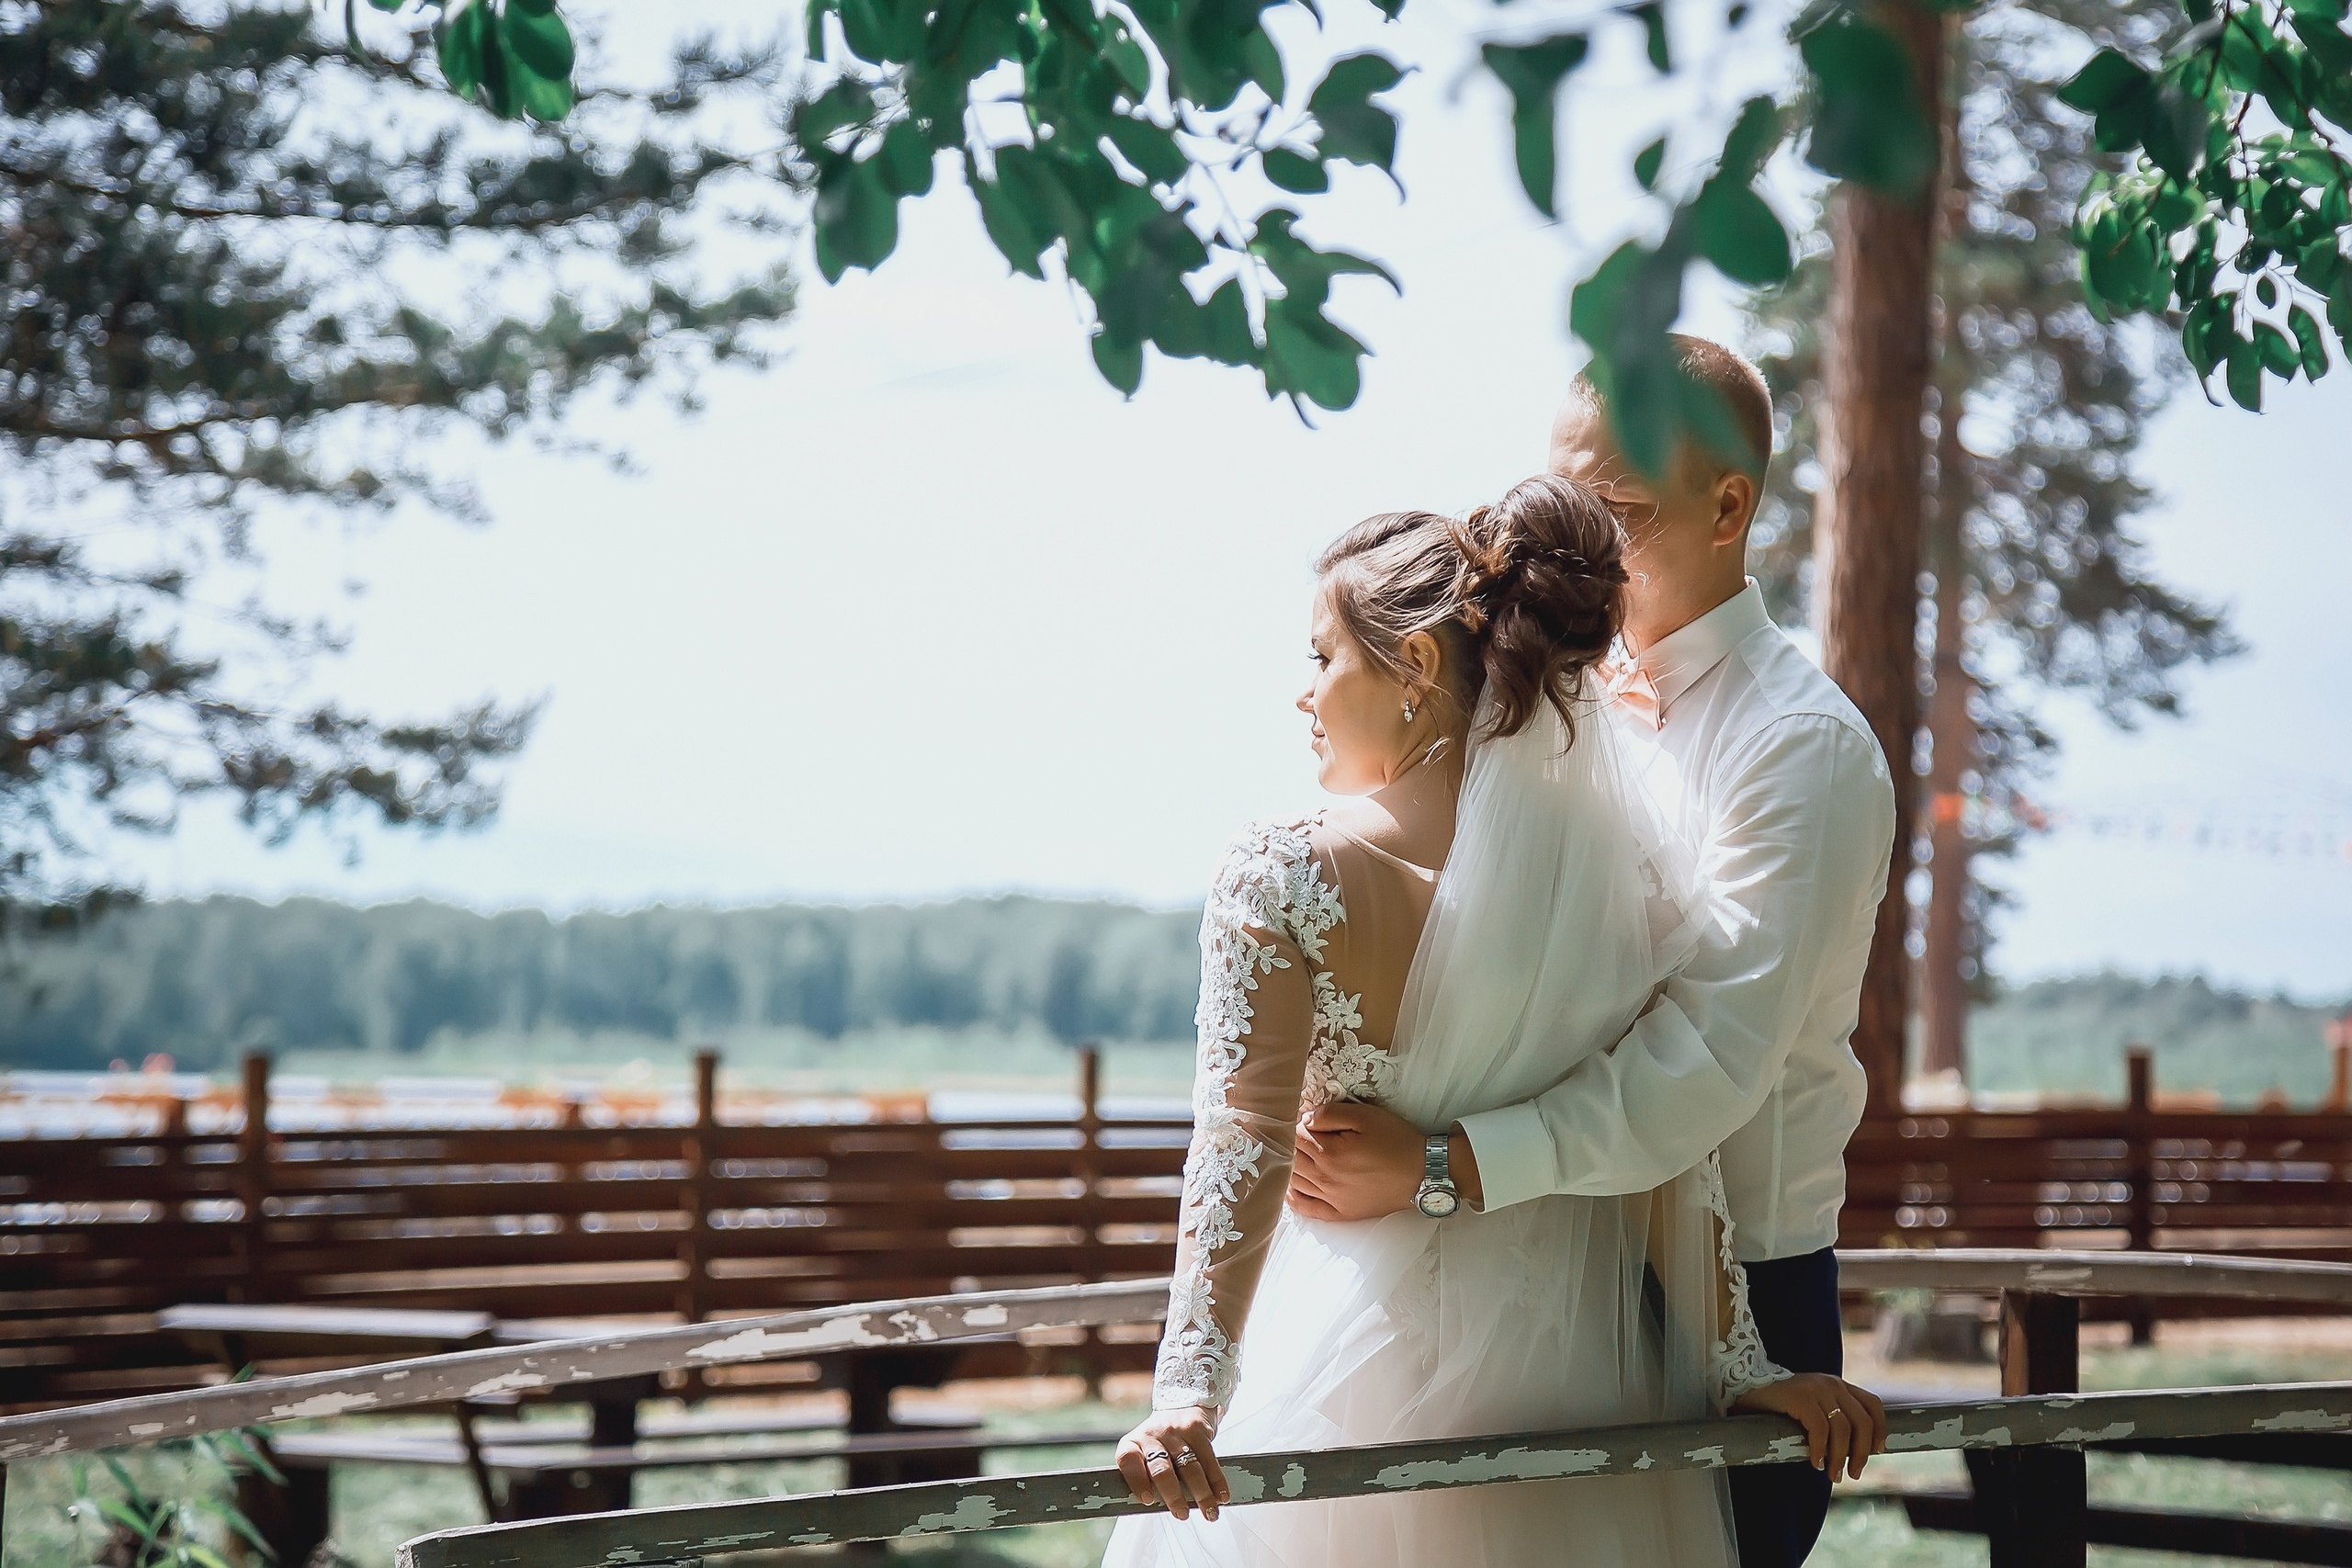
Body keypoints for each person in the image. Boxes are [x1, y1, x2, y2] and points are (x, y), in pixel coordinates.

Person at [1106, 474, 1884, 1568]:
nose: (1303, 695)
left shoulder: (1279, 872)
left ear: (1416, 666)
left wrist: (1189, 1395)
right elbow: (1662, 1150)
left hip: (1351, 1365)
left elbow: (1239, 1140)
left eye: (1321, 657)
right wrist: (1735, 1365)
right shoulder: (1618, 876)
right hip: (1577, 1382)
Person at [1284, 336, 1898, 1567]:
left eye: (1617, 509)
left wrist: (1444, 1165)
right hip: (1510, 1269)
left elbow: (1704, 1061)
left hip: (1727, 1291)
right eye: (1564, 502)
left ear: (1728, 508)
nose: (1573, 546)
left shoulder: (1799, 749)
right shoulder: (1540, 697)